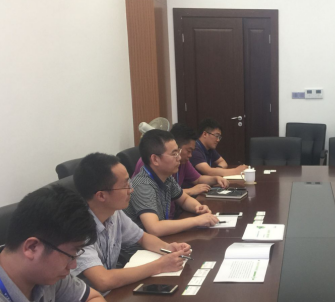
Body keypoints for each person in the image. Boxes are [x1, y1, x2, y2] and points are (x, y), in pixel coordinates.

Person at [72, 153, 193, 292]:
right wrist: (159, 265)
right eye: (125, 186)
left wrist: (168, 248)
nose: (131, 189)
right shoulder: (77, 229)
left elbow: (142, 237)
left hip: (112, 292)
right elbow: (103, 280)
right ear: (101, 195)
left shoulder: (113, 212)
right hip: (87, 300)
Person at [124, 129, 219, 236]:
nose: (179, 158)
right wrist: (197, 221)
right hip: (140, 246)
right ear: (155, 159)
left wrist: (198, 208)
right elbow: (155, 228)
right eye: (174, 154)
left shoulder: (166, 177)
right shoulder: (143, 185)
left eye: (178, 152)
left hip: (160, 240)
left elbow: (184, 200)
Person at [133, 123, 230, 195]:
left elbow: (198, 179)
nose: (190, 155)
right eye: (189, 151)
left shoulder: (181, 162)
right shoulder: (152, 163)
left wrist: (216, 179)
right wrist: (190, 191)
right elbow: (158, 194)